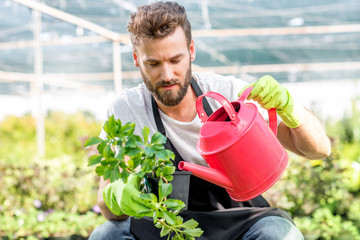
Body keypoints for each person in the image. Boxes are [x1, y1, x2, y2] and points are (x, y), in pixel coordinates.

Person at [89, 1, 331, 239]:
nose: (167, 75)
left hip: (242, 222)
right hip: (167, 227)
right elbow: (106, 203)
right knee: (107, 235)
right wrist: (117, 196)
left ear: (191, 50)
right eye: (153, 63)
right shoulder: (126, 110)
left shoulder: (227, 93)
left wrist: (290, 108)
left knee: (279, 234)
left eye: (176, 60)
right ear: (136, 59)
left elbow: (319, 150)